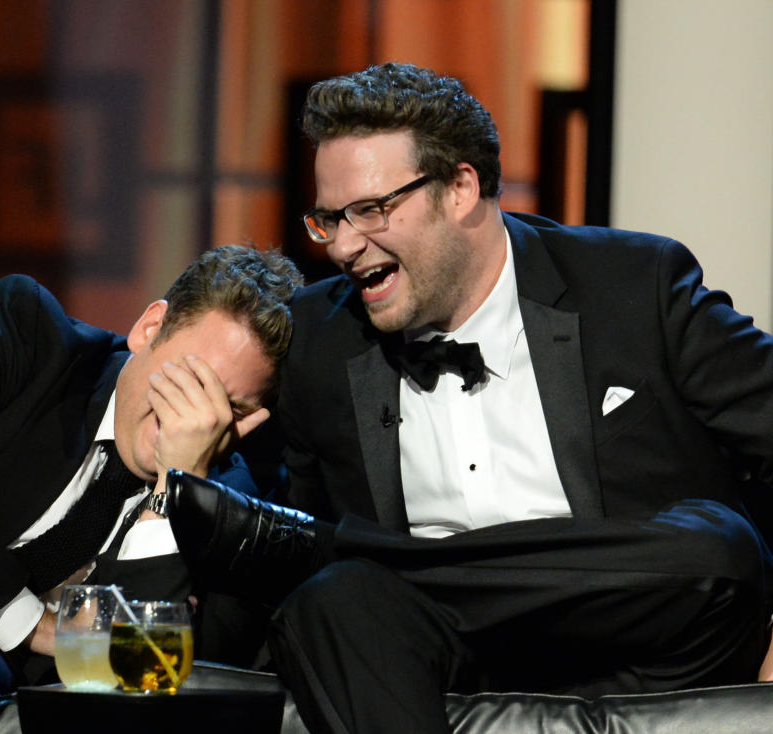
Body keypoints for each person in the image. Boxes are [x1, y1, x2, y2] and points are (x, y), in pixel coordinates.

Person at [165, 63, 773, 734]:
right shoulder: (319, 340)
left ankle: (374, 559)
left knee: (716, 554)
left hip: (641, 641)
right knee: (329, 601)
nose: (343, 245)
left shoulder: (636, 285)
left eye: (370, 210)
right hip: (441, 658)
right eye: (329, 218)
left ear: (460, 188)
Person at [0, 244, 302, 733]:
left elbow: (139, 672)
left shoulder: (228, 509)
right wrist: (37, 625)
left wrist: (173, 492)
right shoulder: (22, 330)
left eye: (227, 411)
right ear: (149, 329)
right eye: (188, 383)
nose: (187, 419)